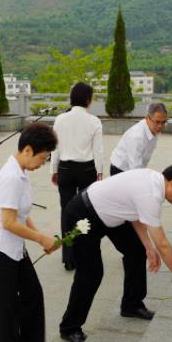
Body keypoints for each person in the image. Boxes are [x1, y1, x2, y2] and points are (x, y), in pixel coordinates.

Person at [59, 164, 172, 342]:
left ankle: (132, 305)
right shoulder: (151, 193)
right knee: (91, 273)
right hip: (82, 213)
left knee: (136, 251)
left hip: (110, 215)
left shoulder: (153, 182)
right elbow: (163, 244)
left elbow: (134, 213)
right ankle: (69, 327)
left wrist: (148, 246)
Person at [0, 123, 59, 342]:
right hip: (0, 249)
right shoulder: (11, 176)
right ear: (27, 149)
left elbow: (22, 215)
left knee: (32, 295)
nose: (42, 162)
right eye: (42, 157)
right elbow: (8, 222)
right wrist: (40, 238)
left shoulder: (21, 172)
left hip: (15, 247)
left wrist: (40, 240)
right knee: (6, 310)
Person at [50, 82, 103, 271]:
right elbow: (98, 150)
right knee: (86, 211)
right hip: (87, 170)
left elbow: (55, 148)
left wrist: (53, 170)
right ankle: (84, 251)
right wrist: (100, 172)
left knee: (66, 211)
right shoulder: (94, 121)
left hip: (65, 169)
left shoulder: (60, 119)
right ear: (88, 99)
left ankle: (68, 257)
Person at [109, 103, 168, 175]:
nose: (160, 126)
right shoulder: (137, 136)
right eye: (157, 122)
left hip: (134, 168)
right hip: (120, 169)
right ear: (147, 118)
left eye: (163, 122)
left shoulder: (152, 129)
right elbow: (135, 167)